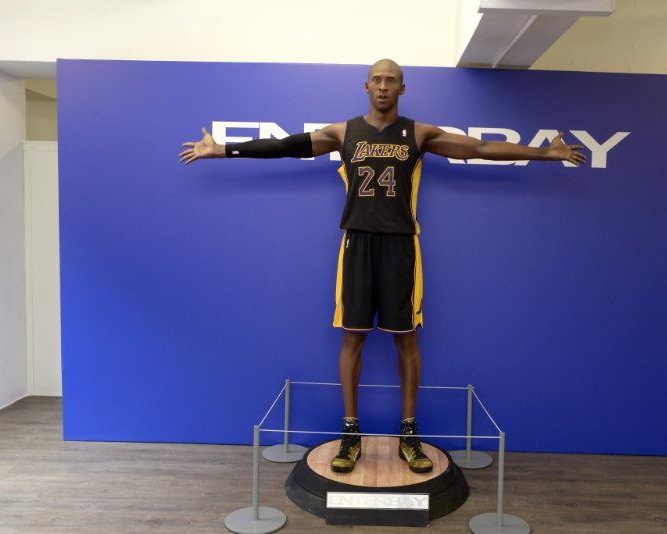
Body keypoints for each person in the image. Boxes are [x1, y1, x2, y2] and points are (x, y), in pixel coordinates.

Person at [180, 59, 586, 474]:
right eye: (377, 79)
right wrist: (221, 149)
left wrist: (546, 154)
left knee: (407, 340)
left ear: (402, 89)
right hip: (357, 243)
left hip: (401, 246)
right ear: (366, 86)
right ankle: (350, 435)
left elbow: (480, 149)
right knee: (352, 338)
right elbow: (286, 146)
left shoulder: (419, 133)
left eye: (391, 80)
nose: (383, 86)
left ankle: (409, 436)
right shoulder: (344, 132)